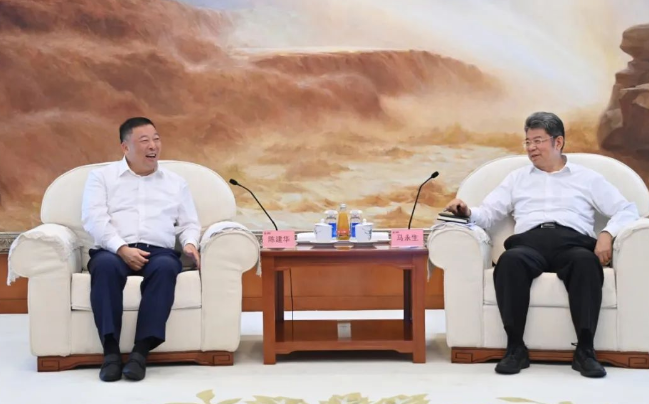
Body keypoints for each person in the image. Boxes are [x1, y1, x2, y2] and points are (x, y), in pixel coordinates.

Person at [445, 112, 639, 378]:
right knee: (510, 261)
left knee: (586, 263)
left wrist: (607, 233)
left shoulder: (587, 178)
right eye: (527, 142)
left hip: (573, 243)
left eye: (538, 141)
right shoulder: (517, 178)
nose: (531, 148)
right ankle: (515, 348)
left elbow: (627, 209)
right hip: (530, 244)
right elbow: (488, 214)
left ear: (558, 142)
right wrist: (467, 211)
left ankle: (585, 351)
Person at [81, 117, 201, 382]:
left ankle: (140, 353)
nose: (153, 146)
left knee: (167, 267)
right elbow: (94, 219)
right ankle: (111, 353)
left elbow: (189, 223)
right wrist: (121, 248)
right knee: (105, 267)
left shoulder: (175, 182)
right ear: (125, 147)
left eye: (156, 139)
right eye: (144, 140)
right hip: (113, 250)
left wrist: (191, 243)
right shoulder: (101, 178)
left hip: (159, 251)